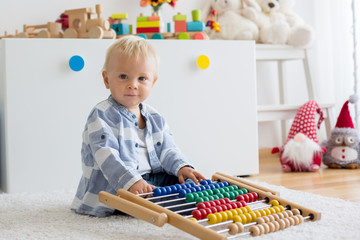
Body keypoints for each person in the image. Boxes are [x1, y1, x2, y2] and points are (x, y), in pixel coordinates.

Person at [71, 36, 205, 217]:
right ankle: (165, 201)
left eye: (142, 78)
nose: (132, 85)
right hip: (115, 184)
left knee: (185, 182)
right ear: (106, 79)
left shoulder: (155, 116)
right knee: (149, 195)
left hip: (149, 180)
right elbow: (106, 156)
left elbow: (168, 149)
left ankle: (179, 196)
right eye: (123, 76)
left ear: (153, 82)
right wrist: (131, 181)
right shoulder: (102, 114)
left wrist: (182, 167)